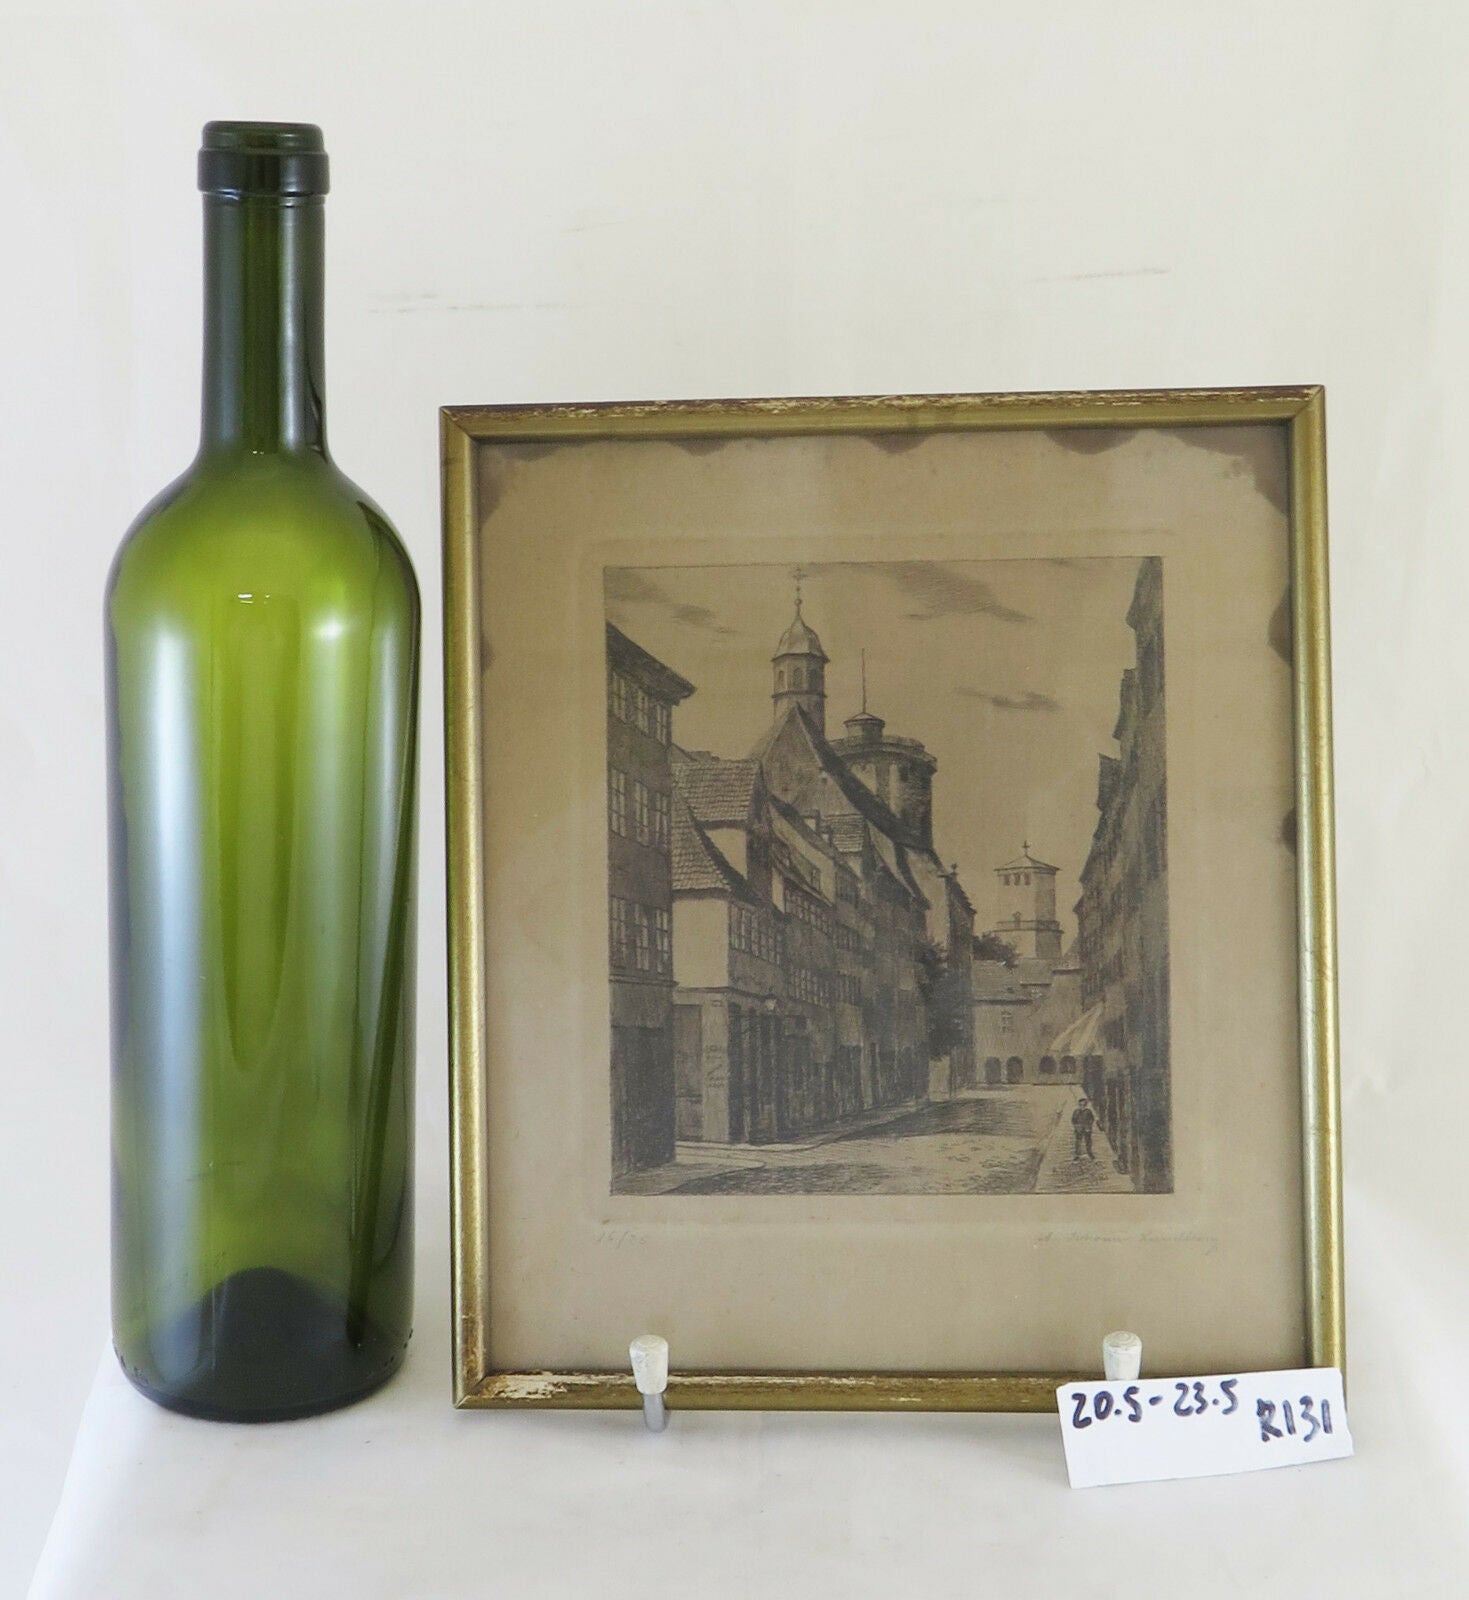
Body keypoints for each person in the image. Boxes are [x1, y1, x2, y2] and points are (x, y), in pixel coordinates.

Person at [1072, 1095, 1095, 1160]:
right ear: (1079, 1104)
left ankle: (1089, 1153)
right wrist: (1076, 1127)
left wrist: (1089, 1126)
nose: (1082, 1106)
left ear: (1086, 1104)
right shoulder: (1076, 1111)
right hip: (1079, 1129)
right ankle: (1077, 1155)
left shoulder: (1088, 1111)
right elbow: (1073, 1120)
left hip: (1087, 1128)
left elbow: (1091, 1119)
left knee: (1088, 1141)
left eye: (1084, 1104)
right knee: (1078, 1142)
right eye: (1081, 1104)